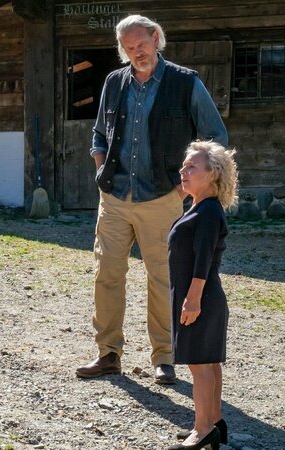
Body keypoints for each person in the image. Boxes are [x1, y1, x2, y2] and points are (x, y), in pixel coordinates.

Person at [76, 14, 228, 384]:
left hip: (163, 197)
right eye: (128, 48)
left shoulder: (185, 82)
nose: (136, 52)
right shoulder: (114, 81)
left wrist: (184, 189)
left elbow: (214, 137)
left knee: (163, 279)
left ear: (156, 38)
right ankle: (108, 353)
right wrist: (100, 172)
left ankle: (164, 357)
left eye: (141, 44)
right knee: (106, 275)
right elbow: (99, 135)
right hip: (114, 195)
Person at [166, 141, 237, 450]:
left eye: (192, 166)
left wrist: (192, 299)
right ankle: (214, 421)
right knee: (209, 363)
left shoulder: (207, 212)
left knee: (200, 365)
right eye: (184, 165)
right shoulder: (200, 207)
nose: (184, 170)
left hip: (201, 298)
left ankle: (203, 428)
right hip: (203, 297)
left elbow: (203, 258)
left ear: (212, 175)